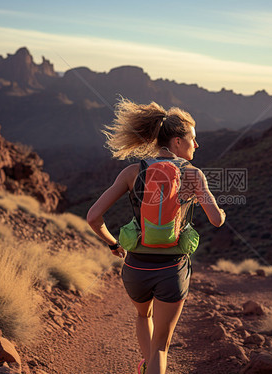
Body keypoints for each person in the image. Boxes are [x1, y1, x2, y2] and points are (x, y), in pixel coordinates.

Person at [86, 99, 226, 374]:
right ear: (176, 141)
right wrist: (220, 210)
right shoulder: (194, 175)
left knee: (143, 316)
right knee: (162, 346)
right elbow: (216, 220)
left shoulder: (131, 172)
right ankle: (152, 365)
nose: (196, 146)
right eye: (192, 140)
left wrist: (114, 244)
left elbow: (93, 217)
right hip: (172, 270)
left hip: (136, 267)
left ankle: (146, 366)